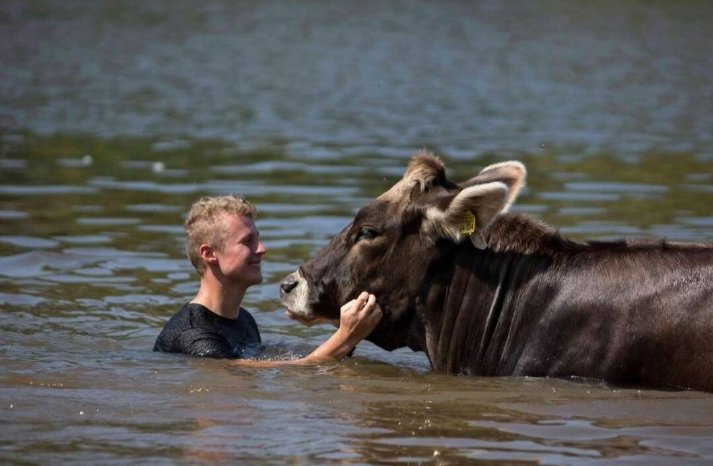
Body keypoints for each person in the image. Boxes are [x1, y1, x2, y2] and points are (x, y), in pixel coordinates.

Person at [154, 195, 382, 366]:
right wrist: (345, 337)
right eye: (247, 242)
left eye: (258, 240)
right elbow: (296, 372)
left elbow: (271, 368)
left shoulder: (245, 320)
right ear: (209, 254)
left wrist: (348, 329)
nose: (262, 249)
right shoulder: (193, 337)